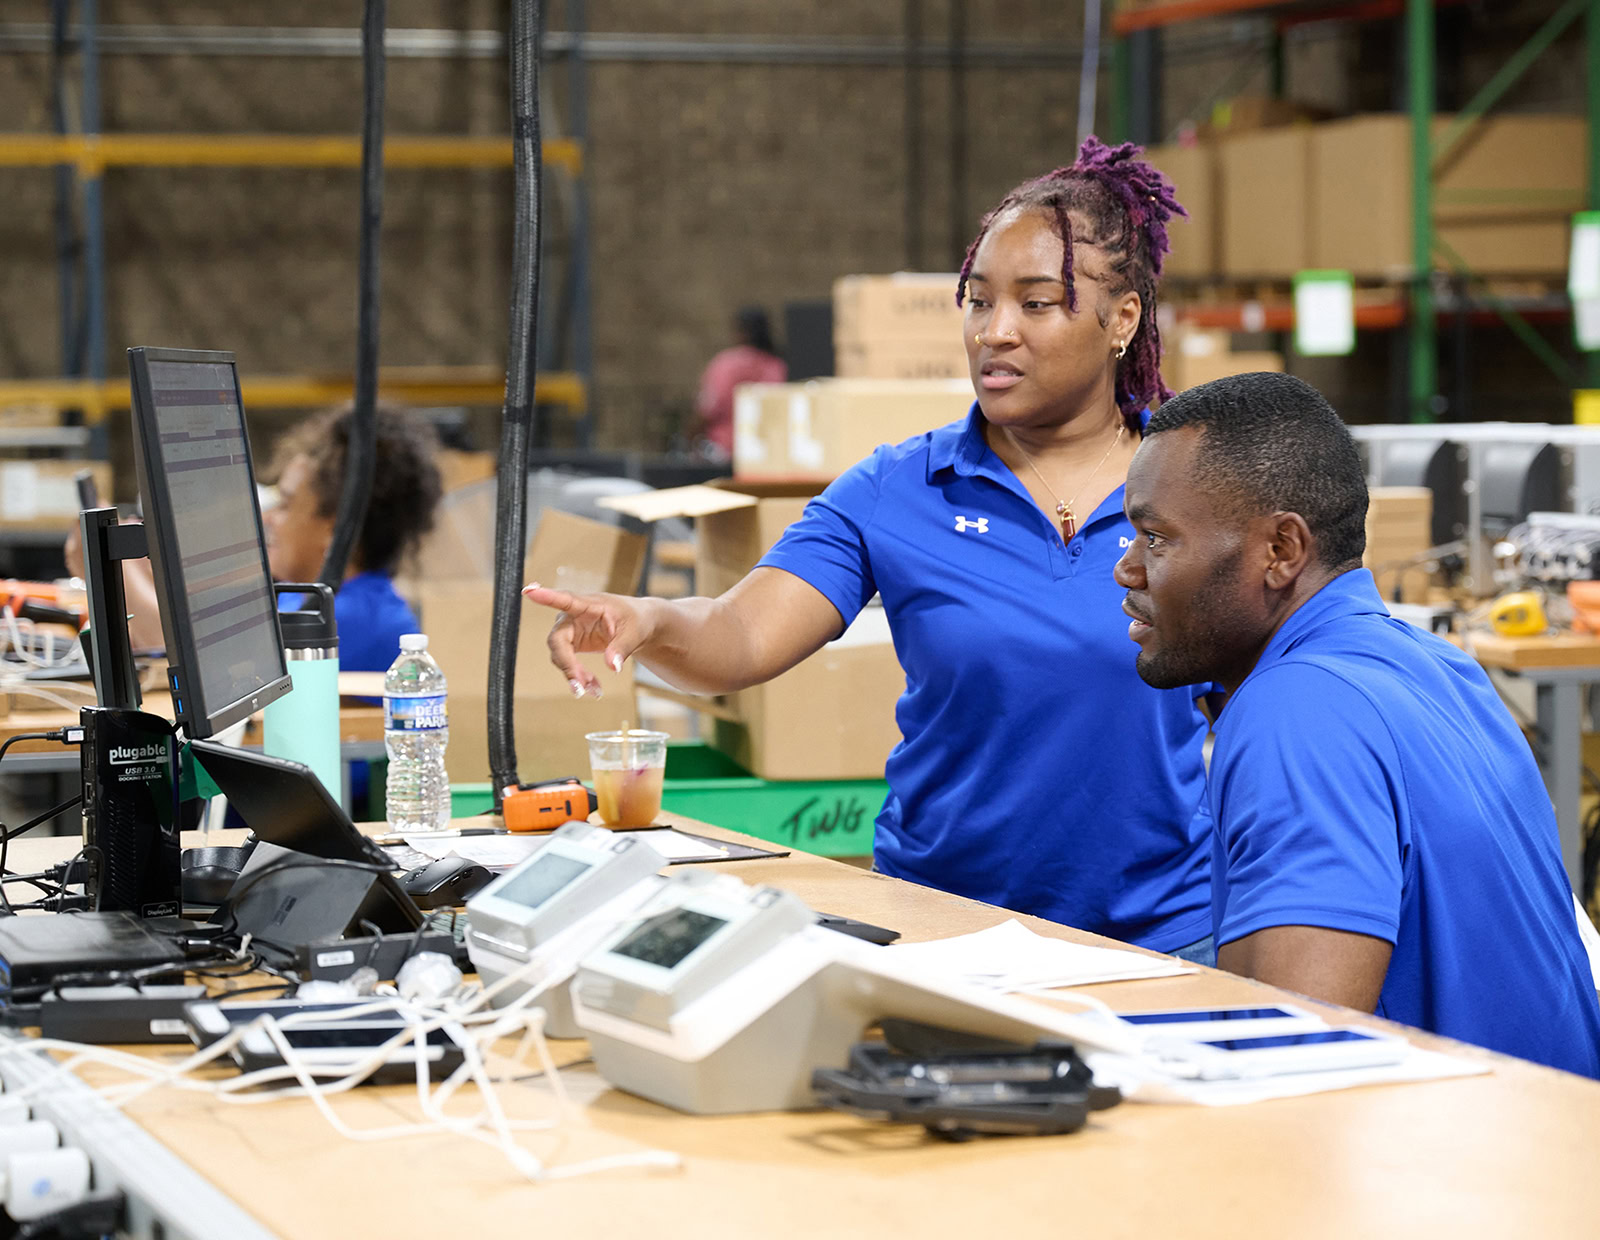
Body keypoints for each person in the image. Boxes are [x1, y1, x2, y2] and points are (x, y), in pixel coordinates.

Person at [525, 138, 1219, 960]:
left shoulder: (1193, 488)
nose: (995, 333)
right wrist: (646, 618)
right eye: (978, 301)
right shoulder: (900, 490)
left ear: (1123, 320)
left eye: (1037, 304)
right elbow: (740, 633)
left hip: (1159, 937)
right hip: (945, 928)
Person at [1114, 371, 1600, 1077]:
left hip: (1466, 1168)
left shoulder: (1298, 712)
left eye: (1156, 538)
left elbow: (1286, 1060)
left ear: (1281, 550)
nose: (1128, 569)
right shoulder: (1440, 665)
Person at [265, 402, 443, 674]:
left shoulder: (350, 620)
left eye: (286, 505)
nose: (269, 518)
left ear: (334, 531)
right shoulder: (302, 598)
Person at [692, 306, 787, 461]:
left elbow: (708, 408)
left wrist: (691, 435)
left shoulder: (726, 364)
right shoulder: (776, 365)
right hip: (764, 454)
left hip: (723, 452)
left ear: (741, 331)